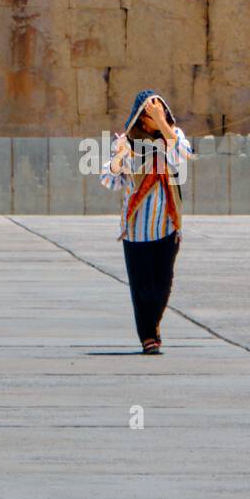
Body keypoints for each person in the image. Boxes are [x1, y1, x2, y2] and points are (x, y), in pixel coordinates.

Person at [101, 91, 192, 354]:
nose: (160, 114)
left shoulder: (174, 137)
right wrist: (118, 157)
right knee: (141, 289)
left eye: (162, 110)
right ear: (142, 121)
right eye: (152, 113)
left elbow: (180, 158)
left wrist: (163, 123)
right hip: (136, 231)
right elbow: (111, 179)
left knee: (162, 284)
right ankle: (149, 336)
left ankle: (153, 324)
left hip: (166, 227)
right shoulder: (127, 143)